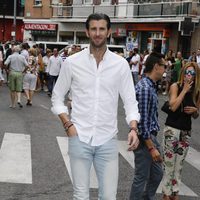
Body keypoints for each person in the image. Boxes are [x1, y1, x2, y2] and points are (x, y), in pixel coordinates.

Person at [51, 13, 140, 200]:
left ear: (108, 32)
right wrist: (68, 124)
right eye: (93, 29)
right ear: (87, 32)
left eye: (101, 29)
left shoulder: (120, 65)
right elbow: (57, 97)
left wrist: (133, 127)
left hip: (107, 139)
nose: (97, 33)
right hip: (79, 136)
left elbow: (130, 101)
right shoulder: (73, 63)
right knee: (80, 196)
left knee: (108, 196)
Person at [162, 62, 200, 200]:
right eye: (187, 72)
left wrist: (196, 111)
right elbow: (173, 106)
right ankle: (166, 194)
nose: (188, 76)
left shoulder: (197, 91)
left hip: (185, 132)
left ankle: (175, 193)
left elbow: (195, 116)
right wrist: (183, 90)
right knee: (169, 164)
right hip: (171, 129)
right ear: (183, 73)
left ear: (196, 76)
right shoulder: (175, 86)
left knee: (179, 166)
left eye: (192, 73)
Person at [129, 52, 165, 200]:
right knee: (141, 177)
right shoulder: (144, 88)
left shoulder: (150, 86)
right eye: (164, 66)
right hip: (145, 140)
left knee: (157, 173)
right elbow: (142, 123)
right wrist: (151, 147)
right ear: (156, 66)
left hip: (151, 137)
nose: (165, 69)